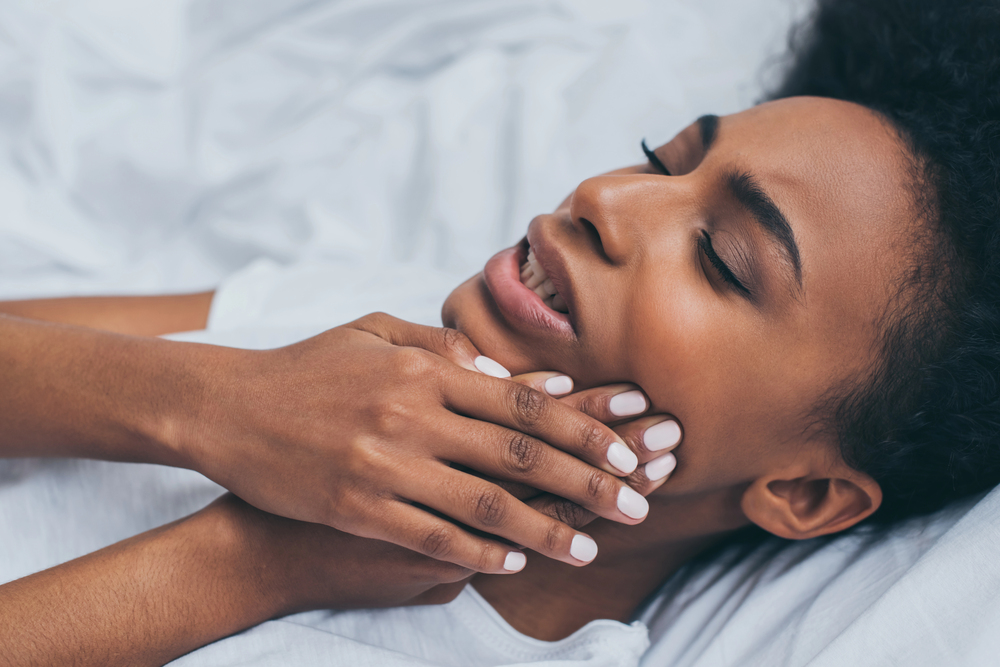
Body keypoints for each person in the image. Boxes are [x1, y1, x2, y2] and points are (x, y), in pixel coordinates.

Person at [1, 0, 998, 664]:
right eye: (660, 161)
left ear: (806, 490)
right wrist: (209, 399)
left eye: (723, 261)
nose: (605, 198)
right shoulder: (370, 328)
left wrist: (258, 561)